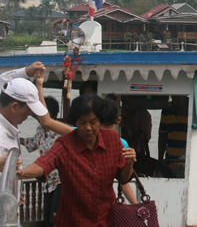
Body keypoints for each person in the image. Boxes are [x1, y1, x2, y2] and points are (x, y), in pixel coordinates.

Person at [17, 94, 136, 227]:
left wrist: (129, 163)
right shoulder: (64, 144)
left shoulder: (113, 140)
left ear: (101, 121)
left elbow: (123, 179)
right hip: (72, 221)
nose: (88, 128)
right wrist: (21, 173)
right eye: (82, 122)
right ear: (75, 122)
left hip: (106, 220)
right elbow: (44, 164)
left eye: (93, 122)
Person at [20, 96, 61, 225]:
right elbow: (32, 144)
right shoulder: (39, 131)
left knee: (56, 217)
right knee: (47, 216)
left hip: (61, 181)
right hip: (47, 183)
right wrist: (15, 138)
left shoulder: (60, 131)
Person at [101, 97, 137, 204]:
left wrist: (136, 205)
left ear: (118, 120)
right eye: (101, 124)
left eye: (107, 125)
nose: (104, 130)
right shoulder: (84, 137)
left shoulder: (121, 144)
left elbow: (123, 180)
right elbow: (49, 123)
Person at [158, 95, 188, 177]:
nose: (175, 99)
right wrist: (160, 160)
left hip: (187, 161)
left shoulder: (193, 111)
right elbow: (162, 136)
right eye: (173, 96)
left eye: (178, 97)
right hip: (170, 159)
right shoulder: (167, 110)